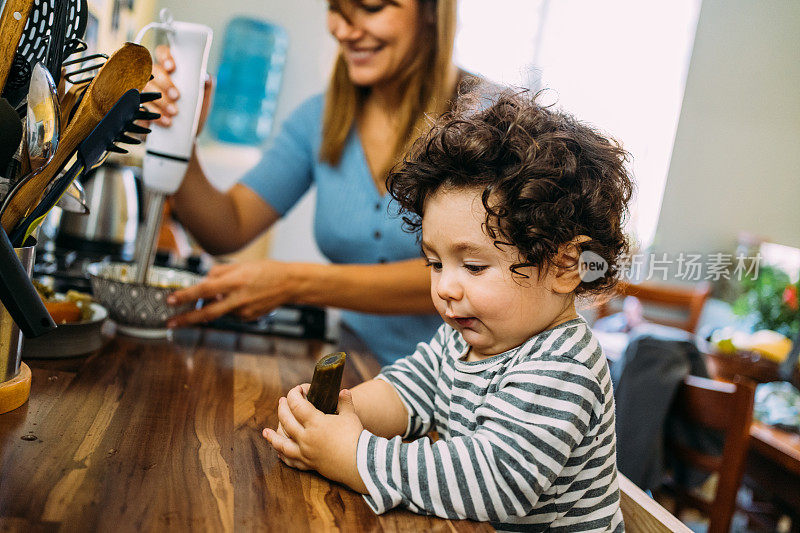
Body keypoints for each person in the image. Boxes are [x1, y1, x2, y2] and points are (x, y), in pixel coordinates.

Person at [262, 91, 633, 531]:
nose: (445, 287)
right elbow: (407, 392)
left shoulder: (564, 364)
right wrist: (339, 413)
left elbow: (493, 481)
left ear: (565, 266)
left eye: (473, 266)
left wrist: (353, 455)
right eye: (435, 263)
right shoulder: (468, 335)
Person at [145, 0, 472, 364]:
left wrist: (295, 283)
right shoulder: (319, 118)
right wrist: (179, 134)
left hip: (460, 395)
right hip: (359, 375)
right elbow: (228, 226)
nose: (344, 30)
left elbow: (475, 272)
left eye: (372, 7)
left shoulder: (488, 122)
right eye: (337, 9)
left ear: (431, 12)